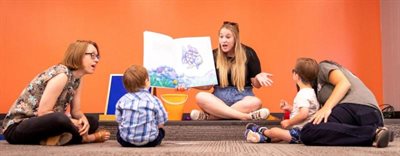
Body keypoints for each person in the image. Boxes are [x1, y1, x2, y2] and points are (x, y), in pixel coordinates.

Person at [1, 40, 110, 146]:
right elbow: (43, 113)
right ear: (78, 55)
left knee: (93, 121)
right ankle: (87, 138)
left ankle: (51, 140)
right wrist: (74, 122)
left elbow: (76, 111)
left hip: (45, 125)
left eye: (97, 56)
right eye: (92, 55)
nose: (96, 60)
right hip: (17, 127)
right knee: (60, 119)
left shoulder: (78, 78)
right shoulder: (62, 75)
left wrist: (83, 121)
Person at [187, 21, 273, 120]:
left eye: (228, 37)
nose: (224, 40)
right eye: (221, 37)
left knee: (256, 102)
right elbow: (207, 86)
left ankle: (213, 117)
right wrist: (189, 84)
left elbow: (257, 85)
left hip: (243, 97)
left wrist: (258, 77)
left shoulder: (249, 53)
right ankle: (245, 116)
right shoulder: (213, 55)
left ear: (235, 39)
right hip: (219, 99)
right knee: (200, 97)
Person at [300, 60, 391, 148]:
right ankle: (376, 132)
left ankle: (372, 133)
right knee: (328, 127)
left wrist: (326, 107)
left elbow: (344, 83)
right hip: (372, 117)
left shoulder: (322, 66)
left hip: (354, 107)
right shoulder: (318, 90)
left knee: (308, 130)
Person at [245, 58, 320, 144]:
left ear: (296, 75)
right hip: (306, 132)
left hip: (299, 132)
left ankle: (261, 130)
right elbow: (307, 111)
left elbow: (304, 114)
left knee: (275, 131)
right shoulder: (311, 92)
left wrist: (289, 122)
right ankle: (261, 138)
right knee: (279, 137)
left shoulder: (302, 94)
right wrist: (290, 108)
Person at [115, 65, 168, 147]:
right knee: (161, 130)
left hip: (126, 141)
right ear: (146, 81)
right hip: (150, 141)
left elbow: (119, 120)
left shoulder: (122, 100)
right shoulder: (154, 100)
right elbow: (162, 120)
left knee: (119, 131)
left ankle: (129, 136)